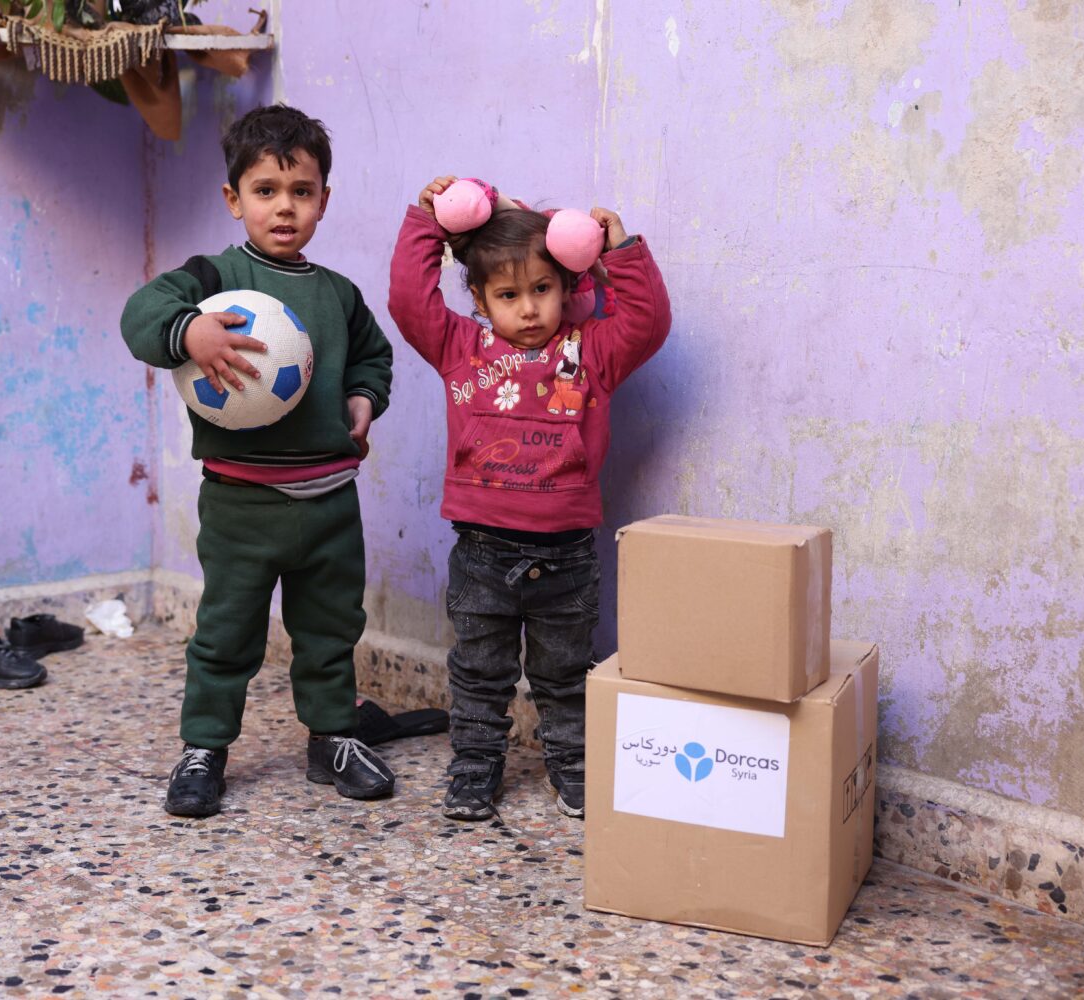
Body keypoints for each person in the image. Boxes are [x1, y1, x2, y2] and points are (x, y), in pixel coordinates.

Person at [120, 105, 396, 818]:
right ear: (233, 200)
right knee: (228, 632)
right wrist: (191, 332)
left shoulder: (337, 294)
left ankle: (332, 737)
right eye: (266, 189)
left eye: (301, 191)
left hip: (332, 501)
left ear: (324, 202)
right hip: (242, 503)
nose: (284, 206)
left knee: (332, 629)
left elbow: (373, 356)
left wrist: (365, 400)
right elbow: (140, 315)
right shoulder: (210, 280)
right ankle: (205, 747)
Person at [387, 176, 671, 819]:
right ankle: (475, 767)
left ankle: (573, 764)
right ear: (482, 301)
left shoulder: (592, 352)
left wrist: (616, 253)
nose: (529, 308)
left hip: (567, 556)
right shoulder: (461, 348)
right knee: (479, 674)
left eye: (542, 288)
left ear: (567, 287)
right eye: (508, 295)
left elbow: (647, 323)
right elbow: (410, 301)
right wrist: (429, 223)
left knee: (566, 675)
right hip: (483, 551)